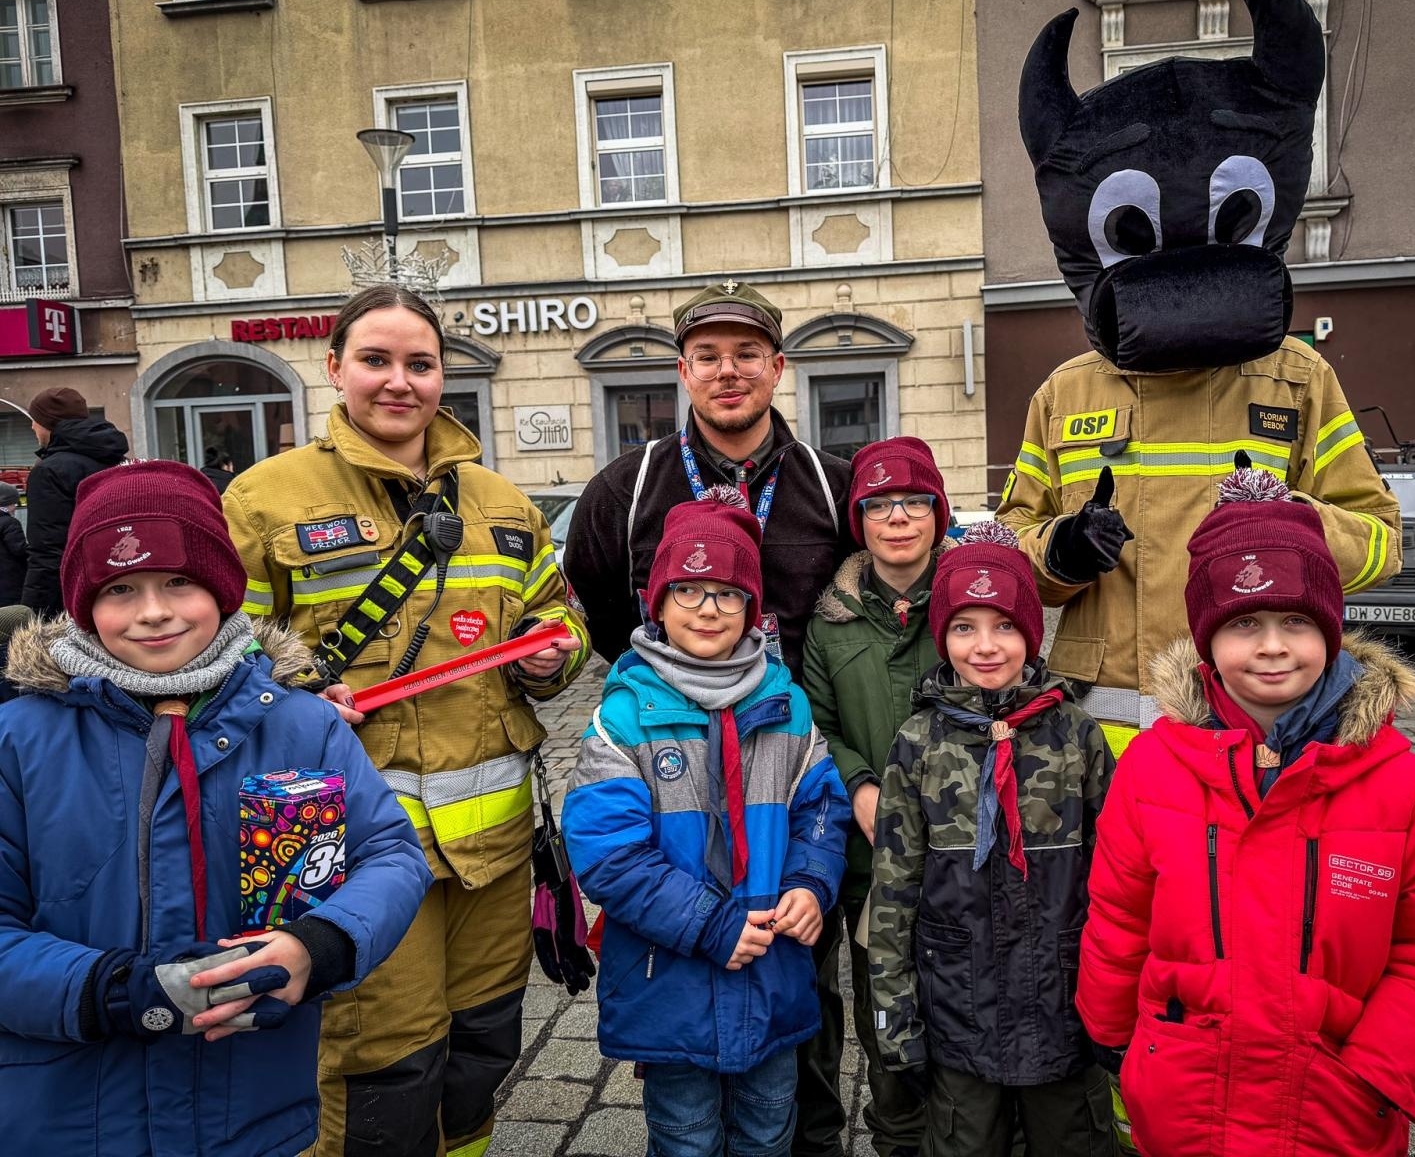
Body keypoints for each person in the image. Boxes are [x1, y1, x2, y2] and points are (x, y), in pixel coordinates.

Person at [223, 284, 591, 1157]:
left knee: (481, 1047)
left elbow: (560, 614)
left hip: (493, 849)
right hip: (354, 851)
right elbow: (224, 653)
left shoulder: (501, 502)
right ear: (334, 368)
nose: (399, 381)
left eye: (419, 363)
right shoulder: (265, 499)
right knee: (382, 1062)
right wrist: (292, 698)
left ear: (442, 376)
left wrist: (554, 654)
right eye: (376, 360)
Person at [1001, 0, 1400, 766]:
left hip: (1253, 729)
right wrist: (1063, 553)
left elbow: (1382, 544)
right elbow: (1013, 547)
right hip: (1102, 735)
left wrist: (1293, 526)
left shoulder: (1297, 379)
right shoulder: (1066, 392)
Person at [0, 460, 431, 1157]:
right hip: (71, 1116)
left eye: (179, 581)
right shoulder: (18, 741)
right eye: (119, 589)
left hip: (251, 1108)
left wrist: (318, 946)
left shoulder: (302, 725)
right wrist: (109, 990)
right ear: (83, 604)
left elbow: (389, 855)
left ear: (223, 588)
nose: (153, 611)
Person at [1077, 469, 1415, 1157]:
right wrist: (1114, 1036)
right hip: (1180, 1102)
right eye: (1244, 623)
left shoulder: (1411, 792)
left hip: (1334, 1115)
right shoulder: (1152, 770)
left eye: (1296, 622)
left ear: (1330, 631)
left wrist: (1376, 1075)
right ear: (1207, 639)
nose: (1272, 645)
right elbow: (1120, 916)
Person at [564, 277, 856, 1154]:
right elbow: (599, 612)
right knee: (687, 1021)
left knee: (804, 999)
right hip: (670, 762)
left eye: (746, 354)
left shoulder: (832, 485)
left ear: (778, 366)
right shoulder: (626, 487)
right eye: (708, 356)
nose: (728, 371)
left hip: (790, 762)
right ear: (683, 370)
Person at [869, 521, 1118, 1157]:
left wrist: (1116, 1007)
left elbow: (1117, 882)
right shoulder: (918, 744)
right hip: (959, 1017)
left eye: (1004, 625)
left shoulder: (1077, 737)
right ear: (941, 636)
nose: (985, 646)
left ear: (1031, 633)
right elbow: (894, 892)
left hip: (1064, 1014)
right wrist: (896, 1020)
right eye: (964, 627)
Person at [802, 437, 954, 1157]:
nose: (898, 518)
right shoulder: (829, 622)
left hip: (956, 856)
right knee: (884, 1016)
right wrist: (859, 783)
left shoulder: (969, 605)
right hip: (869, 861)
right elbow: (817, 725)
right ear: (858, 520)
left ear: (938, 513)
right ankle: (896, 1136)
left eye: (914, 502)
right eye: (879, 504)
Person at [21, 386, 129, 617]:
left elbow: (48, 550)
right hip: (123, 585)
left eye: (35, 420)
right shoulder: (118, 459)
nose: (32, 427)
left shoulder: (50, 471)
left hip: (75, 597)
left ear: (48, 423)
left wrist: (35, 613)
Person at [0, 482, 26, 607]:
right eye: (13, 503)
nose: (15, 508)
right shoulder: (10, 523)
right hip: (11, 583)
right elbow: (20, 550)